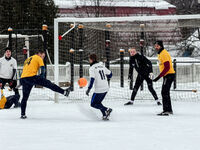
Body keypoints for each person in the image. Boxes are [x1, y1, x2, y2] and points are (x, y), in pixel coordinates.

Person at [20, 50, 71, 119]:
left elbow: (26, 70)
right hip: (32, 77)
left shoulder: (28, 59)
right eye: (43, 56)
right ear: (39, 54)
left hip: (23, 79)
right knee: (50, 84)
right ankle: (64, 92)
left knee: (24, 98)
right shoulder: (38, 58)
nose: (43, 58)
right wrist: (42, 76)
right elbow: (43, 68)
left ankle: (23, 114)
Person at [86, 54, 113, 120]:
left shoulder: (92, 68)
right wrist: (107, 77)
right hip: (106, 88)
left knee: (93, 104)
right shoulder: (102, 65)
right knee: (98, 103)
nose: (88, 60)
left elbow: (92, 79)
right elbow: (110, 74)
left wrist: (89, 89)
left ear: (92, 60)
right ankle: (104, 115)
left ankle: (107, 109)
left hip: (99, 89)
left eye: (89, 59)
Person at [153, 40, 175, 116]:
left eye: (157, 46)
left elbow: (167, 67)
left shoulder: (163, 54)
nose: (156, 47)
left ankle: (167, 110)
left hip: (169, 75)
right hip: (167, 75)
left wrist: (159, 77)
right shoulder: (160, 53)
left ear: (161, 46)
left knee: (164, 92)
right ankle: (168, 110)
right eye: (155, 46)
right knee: (165, 92)